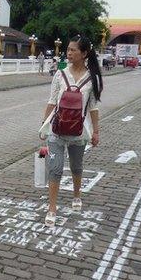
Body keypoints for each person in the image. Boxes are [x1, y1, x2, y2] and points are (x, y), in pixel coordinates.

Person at [41, 36, 103, 227]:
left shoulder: (93, 78)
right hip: (57, 130)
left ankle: (77, 194)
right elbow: (52, 100)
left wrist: (96, 132)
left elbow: (93, 107)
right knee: (56, 169)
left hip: (78, 131)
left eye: (73, 50)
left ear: (84, 54)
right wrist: (44, 124)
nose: (69, 53)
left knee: (76, 167)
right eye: (68, 50)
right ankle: (52, 208)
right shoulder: (60, 75)